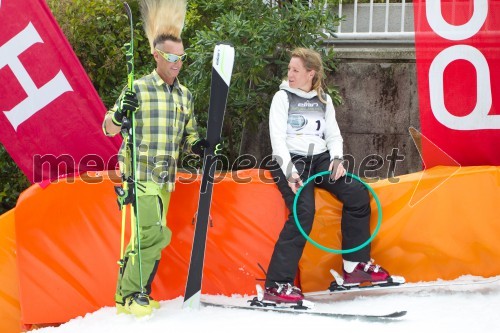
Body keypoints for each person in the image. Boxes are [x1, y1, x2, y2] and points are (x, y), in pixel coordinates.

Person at [264, 47, 403, 303]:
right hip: (291, 159)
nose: (290, 74)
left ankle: (354, 266)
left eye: (296, 70)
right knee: (303, 212)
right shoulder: (282, 98)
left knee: (358, 194)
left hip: (320, 160)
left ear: (310, 73)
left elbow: (334, 136)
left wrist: (337, 158)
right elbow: (277, 141)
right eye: (289, 69)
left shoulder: (323, 100)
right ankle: (277, 284)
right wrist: (291, 173)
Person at [103, 0, 208, 317]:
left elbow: (189, 134)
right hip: (139, 173)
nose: (177, 63)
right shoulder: (138, 87)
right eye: (172, 57)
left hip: (166, 178)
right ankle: (135, 293)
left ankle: (124, 297)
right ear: (157, 56)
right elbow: (108, 128)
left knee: (147, 236)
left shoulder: (185, 95)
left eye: (181, 57)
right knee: (153, 234)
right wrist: (122, 112)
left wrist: (199, 145)